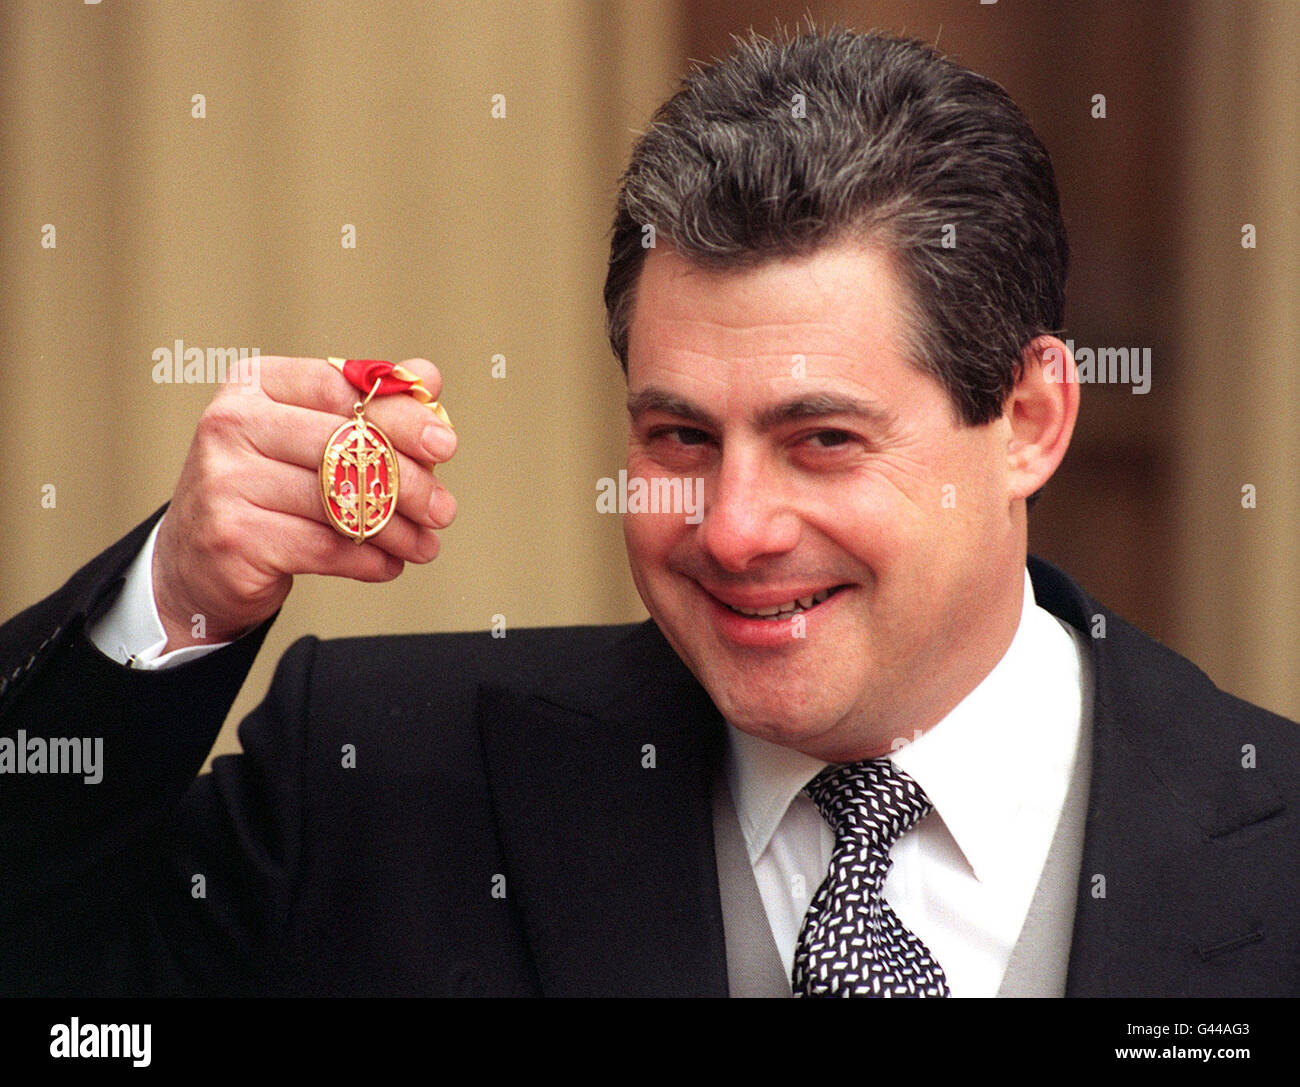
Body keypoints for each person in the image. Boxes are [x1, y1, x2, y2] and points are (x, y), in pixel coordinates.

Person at [1, 27, 1296, 999]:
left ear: (1030, 421)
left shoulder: (1269, 842)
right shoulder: (373, 784)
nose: (732, 528)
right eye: (679, 436)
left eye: (822, 441)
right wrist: (170, 600)